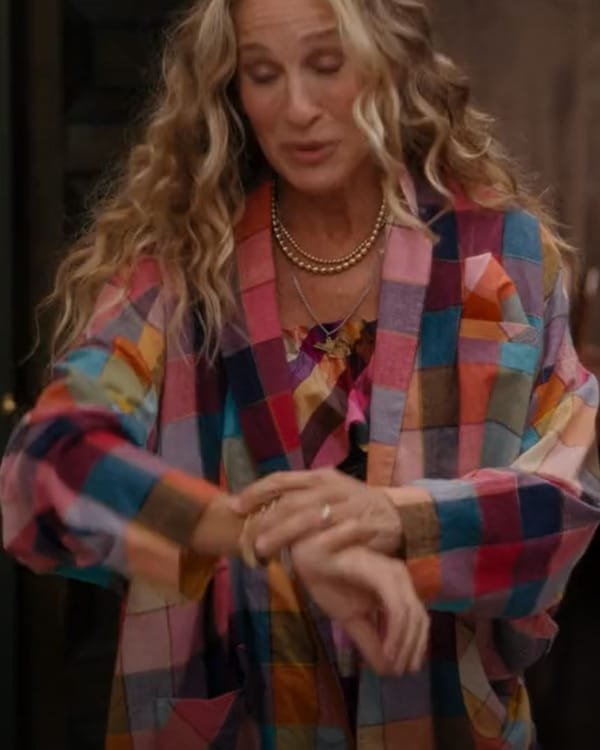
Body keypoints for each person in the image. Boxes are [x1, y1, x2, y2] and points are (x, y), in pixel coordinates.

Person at [1, 0, 599, 747]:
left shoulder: (500, 258)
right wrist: (258, 534)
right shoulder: (177, 271)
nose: (297, 108)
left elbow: (571, 497)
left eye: (326, 64)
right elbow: (45, 468)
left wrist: (398, 521)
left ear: (389, 61)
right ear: (231, 90)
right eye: (262, 74)